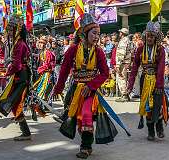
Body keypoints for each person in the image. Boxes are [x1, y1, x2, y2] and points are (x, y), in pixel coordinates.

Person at [52, 13, 129, 159]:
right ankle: (86, 141)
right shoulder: (73, 49)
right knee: (78, 119)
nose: (96, 37)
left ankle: (86, 147)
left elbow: (105, 73)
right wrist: (59, 87)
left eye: (98, 34)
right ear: (84, 33)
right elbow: (64, 70)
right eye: (94, 33)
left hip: (90, 91)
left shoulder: (99, 51)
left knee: (86, 116)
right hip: (76, 89)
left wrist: (92, 86)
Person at [128, 21, 169, 141]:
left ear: (156, 37)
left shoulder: (160, 49)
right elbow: (135, 67)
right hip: (145, 80)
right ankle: (150, 131)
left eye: (152, 36)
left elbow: (161, 67)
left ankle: (159, 128)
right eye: (148, 36)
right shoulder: (140, 49)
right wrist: (130, 84)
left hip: (157, 81)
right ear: (145, 36)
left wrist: (159, 85)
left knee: (157, 105)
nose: (150, 38)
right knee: (148, 106)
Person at [33, 36, 55, 101]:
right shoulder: (42, 53)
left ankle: (46, 105)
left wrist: (39, 69)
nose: (40, 44)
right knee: (41, 89)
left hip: (47, 74)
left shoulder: (48, 53)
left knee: (45, 90)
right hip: (43, 73)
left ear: (45, 44)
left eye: (41, 43)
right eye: (39, 42)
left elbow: (47, 65)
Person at [115, 28, 131, 102]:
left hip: (123, 63)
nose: (119, 33)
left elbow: (121, 54)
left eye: (120, 32)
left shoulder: (123, 41)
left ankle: (124, 95)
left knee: (121, 78)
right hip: (126, 62)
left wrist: (118, 65)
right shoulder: (128, 40)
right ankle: (126, 94)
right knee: (124, 78)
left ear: (122, 33)